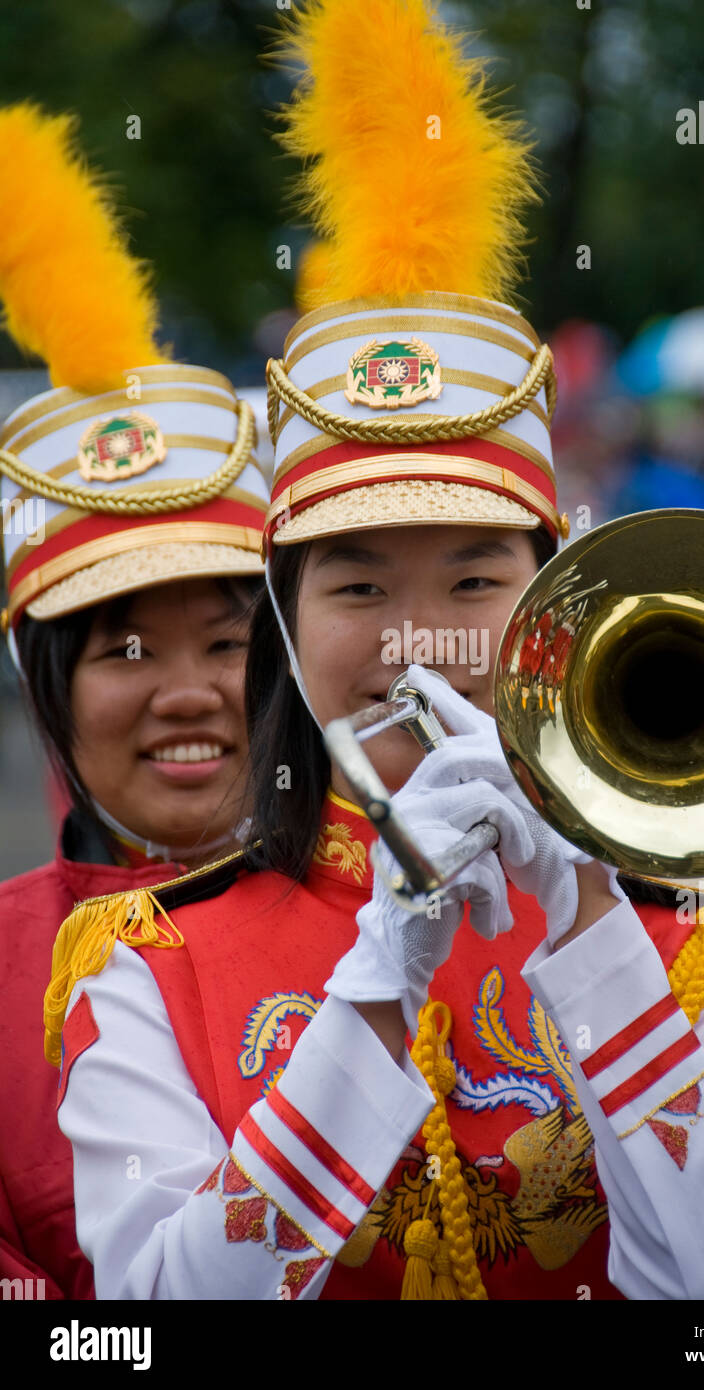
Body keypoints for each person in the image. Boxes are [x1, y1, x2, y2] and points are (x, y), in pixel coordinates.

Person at [46, 0, 704, 1300]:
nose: (416, 632)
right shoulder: (145, 960)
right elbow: (154, 1308)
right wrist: (376, 979)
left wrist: (587, 925)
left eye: (473, 577)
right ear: (284, 631)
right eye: (355, 583)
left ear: (549, 606)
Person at [0, 103, 269, 1298]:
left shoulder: (419, 911)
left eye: (229, 638)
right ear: (46, 695)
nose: (187, 693)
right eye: (121, 650)